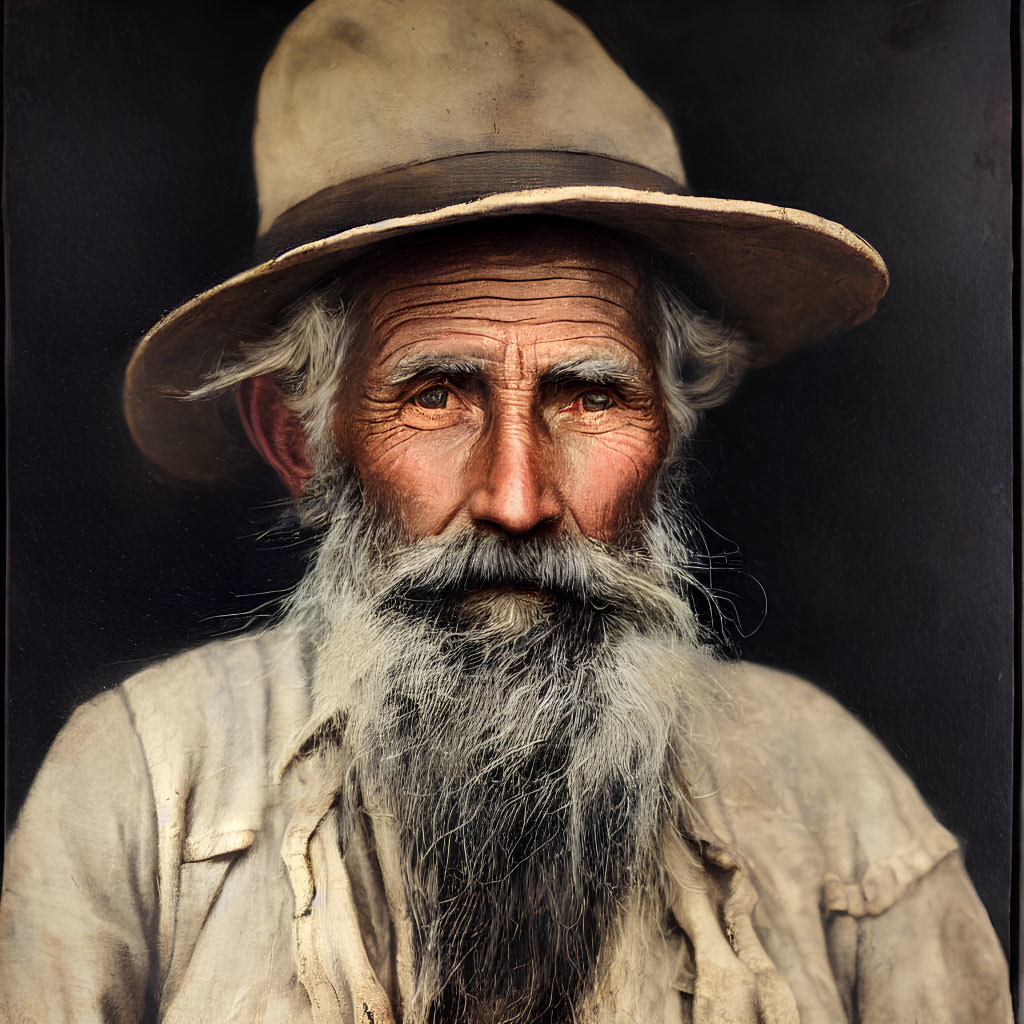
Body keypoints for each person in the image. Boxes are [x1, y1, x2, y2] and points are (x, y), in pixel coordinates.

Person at [0, 1, 1012, 1022]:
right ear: (300, 440)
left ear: (668, 429)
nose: (517, 499)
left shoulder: (832, 796)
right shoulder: (136, 786)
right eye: (435, 394)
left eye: (588, 393)